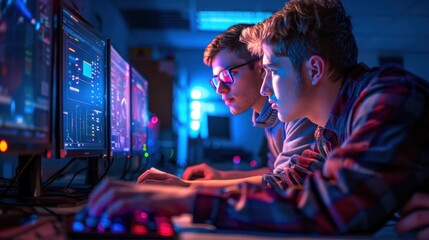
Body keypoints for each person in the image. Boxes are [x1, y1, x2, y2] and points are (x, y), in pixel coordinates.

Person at [86, 0, 429, 236]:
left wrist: (184, 198)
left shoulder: (388, 96)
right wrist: (183, 191)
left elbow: (335, 205)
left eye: (272, 71)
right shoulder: (331, 132)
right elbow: (286, 184)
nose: (266, 85)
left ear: (314, 69)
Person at [137, 24, 317, 188]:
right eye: (216, 81)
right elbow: (273, 171)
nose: (220, 89)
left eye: (227, 75)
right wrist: (220, 175)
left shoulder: (294, 110)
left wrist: (189, 186)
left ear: (261, 67)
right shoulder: (268, 117)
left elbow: (286, 181)